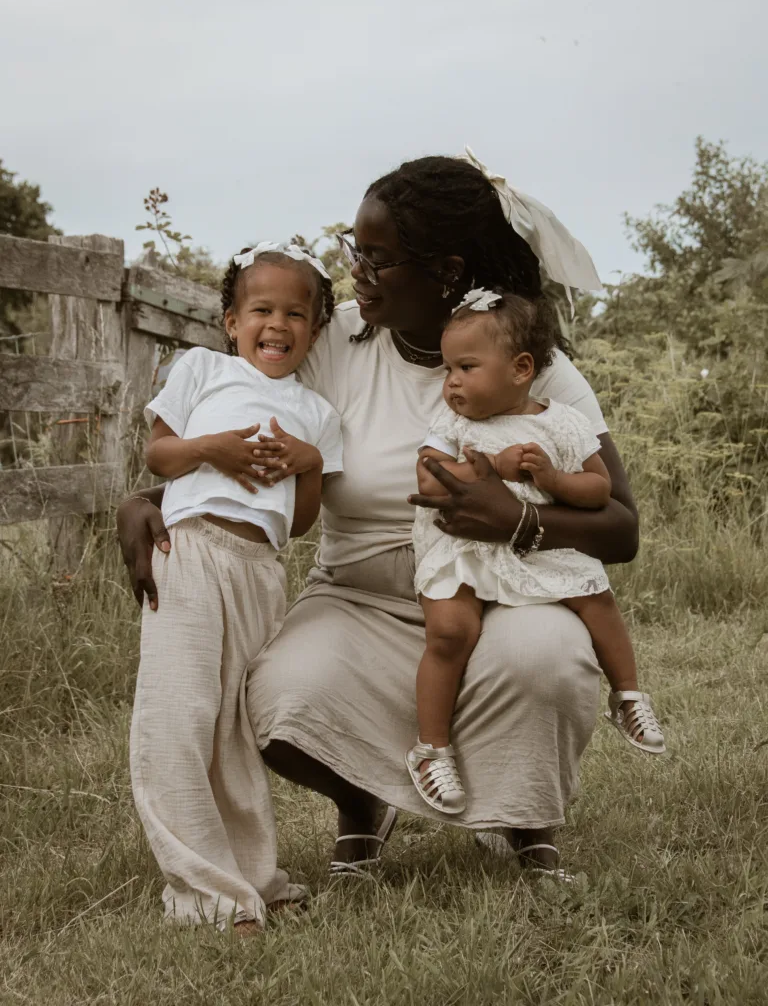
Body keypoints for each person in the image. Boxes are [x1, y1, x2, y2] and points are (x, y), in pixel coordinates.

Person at [117, 149, 641, 884]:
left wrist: (514, 519)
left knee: (545, 660)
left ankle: (523, 816)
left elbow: (622, 528)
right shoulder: (333, 342)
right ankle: (363, 799)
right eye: (353, 248)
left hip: (498, 592)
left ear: (447, 271)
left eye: (377, 257)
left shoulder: (531, 362)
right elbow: (244, 429)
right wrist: (145, 501)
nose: (355, 271)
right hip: (358, 596)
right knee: (274, 695)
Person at [130, 243, 343, 932]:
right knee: (179, 715)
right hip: (190, 551)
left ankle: (254, 877)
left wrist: (309, 464)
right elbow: (158, 453)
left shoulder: (317, 413)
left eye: (296, 314)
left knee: (234, 730)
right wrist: (211, 449)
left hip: (259, 571)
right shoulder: (203, 369)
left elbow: (301, 522)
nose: (277, 324)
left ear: (315, 329)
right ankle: (206, 894)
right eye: (261, 310)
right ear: (231, 321)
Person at [406, 288, 664, 816]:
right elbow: (428, 479)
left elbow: (599, 490)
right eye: (448, 369)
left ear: (521, 368)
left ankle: (628, 695)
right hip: (463, 545)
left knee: (596, 598)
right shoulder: (453, 425)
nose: (451, 381)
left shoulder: (563, 423)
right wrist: (489, 467)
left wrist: (553, 479)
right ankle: (431, 748)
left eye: (466, 367)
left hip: (534, 547)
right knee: (450, 632)